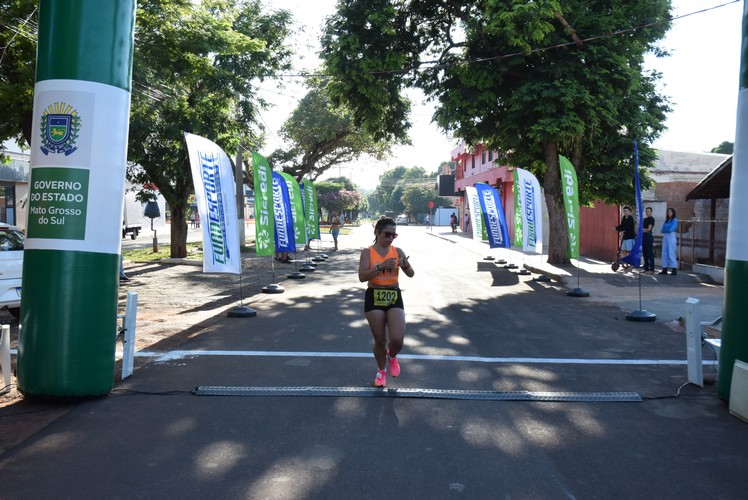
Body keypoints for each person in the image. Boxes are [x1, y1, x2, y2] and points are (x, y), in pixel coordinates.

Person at [358, 217, 415, 387]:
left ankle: (392, 356)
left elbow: (411, 274)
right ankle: (381, 371)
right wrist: (380, 267)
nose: (390, 238)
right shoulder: (367, 252)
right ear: (377, 233)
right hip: (374, 295)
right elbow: (362, 277)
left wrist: (405, 266)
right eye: (387, 234)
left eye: (394, 235)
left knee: (397, 339)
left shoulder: (398, 251)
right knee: (380, 340)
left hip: (393, 295)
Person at [659, 207, 678, 275]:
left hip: (671, 236)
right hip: (666, 236)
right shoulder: (666, 221)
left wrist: (666, 229)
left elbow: (671, 229)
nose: (669, 213)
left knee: (671, 252)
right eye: (668, 212)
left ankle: (674, 269)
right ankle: (664, 268)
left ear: (673, 213)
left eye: (670, 212)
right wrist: (666, 229)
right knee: (664, 252)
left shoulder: (675, 220)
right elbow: (662, 230)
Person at [642, 207, 655, 273]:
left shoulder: (651, 219)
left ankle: (652, 269)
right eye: (647, 211)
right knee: (645, 253)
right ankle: (646, 268)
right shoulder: (645, 219)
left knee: (650, 253)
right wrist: (643, 230)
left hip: (648, 236)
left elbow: (649, 229)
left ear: (651, 212)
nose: (648, 213)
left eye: (649, 211)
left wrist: (643, 230)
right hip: (643, 237)